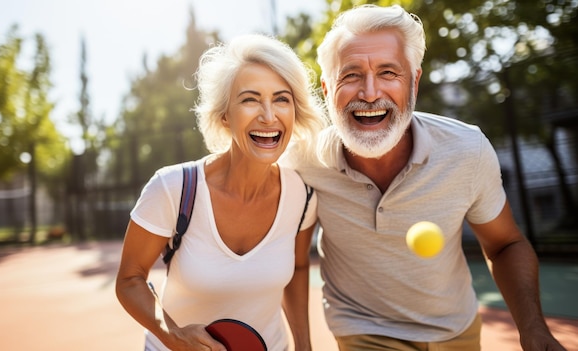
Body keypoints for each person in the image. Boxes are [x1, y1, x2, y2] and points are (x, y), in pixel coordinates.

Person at [283, 4, 567, 351]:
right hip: (363, 331)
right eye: (351, 75)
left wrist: (533, 329)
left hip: (457, 330)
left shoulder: (467, 150)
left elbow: (505, 244)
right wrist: (302, 345)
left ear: (414, 81)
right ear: (327, 89)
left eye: (388, 72)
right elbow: (295, 262)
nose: (370, 93)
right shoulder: (302, 160)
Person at [115, 33, 325, 351]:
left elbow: (296, 269)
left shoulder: (303, 196)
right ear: (225, 114)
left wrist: (304, 346)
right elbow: (129, 279)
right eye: (250, 99)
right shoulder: (173, 189)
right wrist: (173, 334)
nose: (269, 116)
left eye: (282, 99)